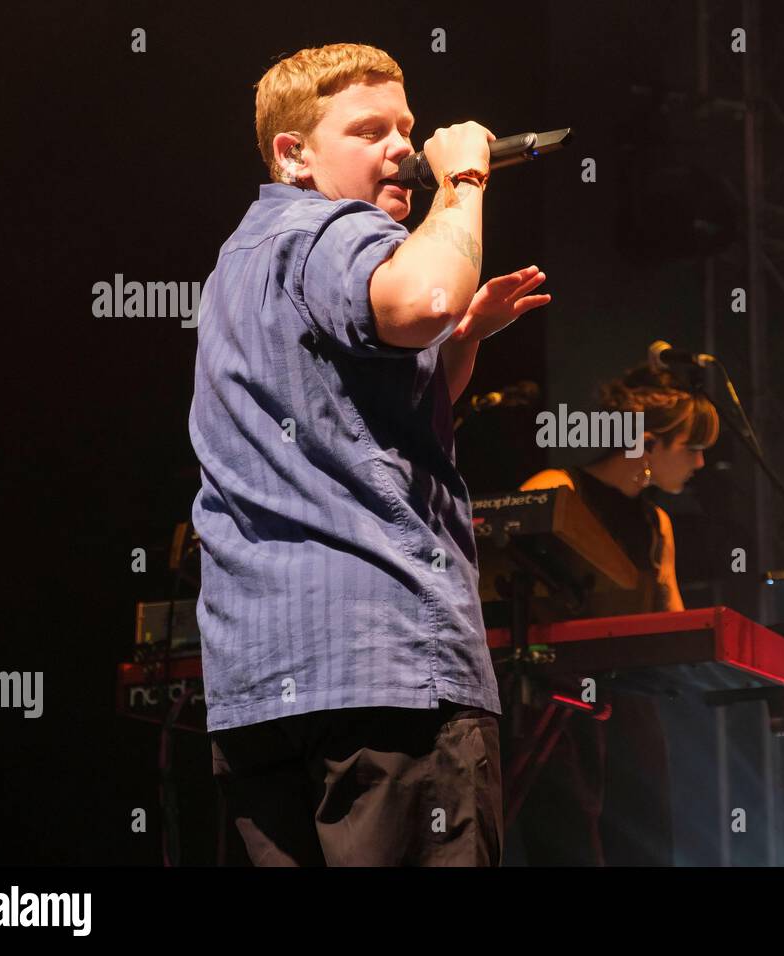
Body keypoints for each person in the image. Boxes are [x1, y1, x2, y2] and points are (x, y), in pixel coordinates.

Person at [188, 42, 550, 866]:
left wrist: (463, 339)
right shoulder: (330, 229)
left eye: (409, 128)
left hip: (261, 689)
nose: (403, 148)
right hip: (386, 672)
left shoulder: (236, 263)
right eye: (369, 130)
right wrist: (464, 184)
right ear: (294, 154)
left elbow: (356, 422)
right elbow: (424, 295)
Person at [513, 364, 719, 865]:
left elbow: (673, 626)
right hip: (556, 704)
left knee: (642, 849)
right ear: (646, 445)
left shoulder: (657, 522)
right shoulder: (555, 488)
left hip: (632, 710)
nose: (701, 462)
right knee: (568, 847)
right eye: (691, 448)